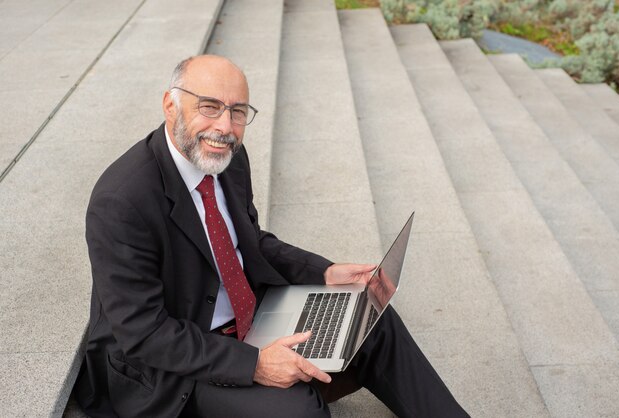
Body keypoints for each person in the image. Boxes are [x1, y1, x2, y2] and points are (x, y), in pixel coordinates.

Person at [74, 55, 468, 418]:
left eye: (238, 112)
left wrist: (325, 272)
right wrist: (256, 364)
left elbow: (250, 242)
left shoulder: (228, 157)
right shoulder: (121, 201)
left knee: (369, 319)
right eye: (209, 107)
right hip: (173, 365)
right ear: (170, 105)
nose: (225, 127)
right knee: (297, 409)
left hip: (247, 318)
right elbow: (144, 333)